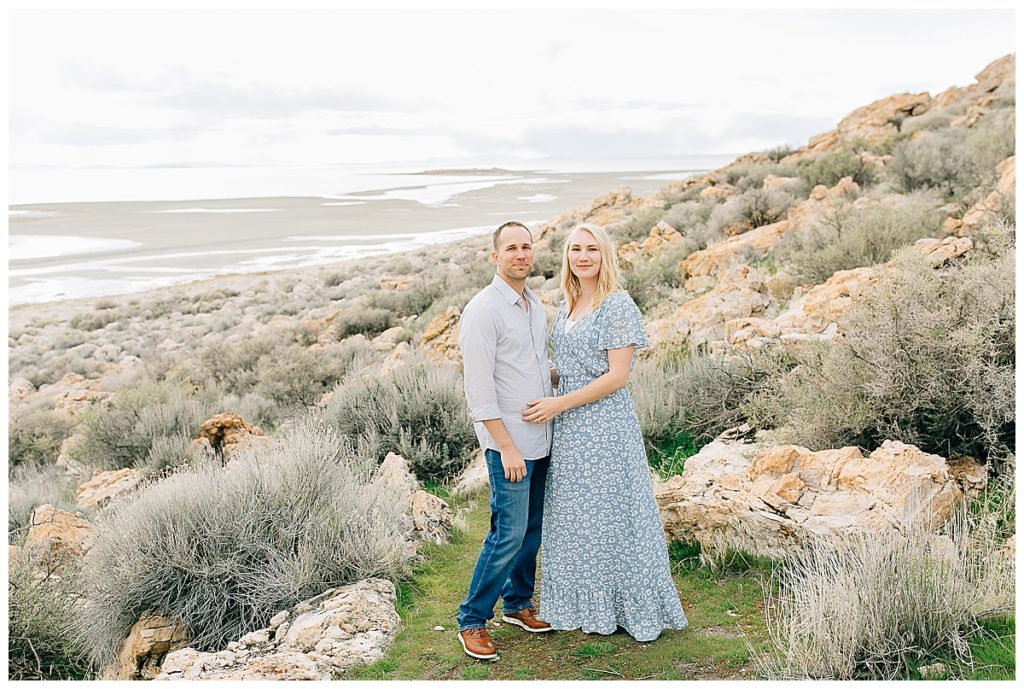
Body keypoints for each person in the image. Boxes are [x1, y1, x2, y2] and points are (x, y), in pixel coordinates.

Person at [522, 222, 689, 642]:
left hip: (606, 428)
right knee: (577, 517)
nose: (583, 256)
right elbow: (571, 369)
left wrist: (558, 402)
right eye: (576, 249)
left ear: (605, 255)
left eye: (591, 249)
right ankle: (585, 606)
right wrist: (533, 380)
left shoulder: (617, 305)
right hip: (572, 430)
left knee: (616, 517)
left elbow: (617, 377)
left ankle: (628, 606)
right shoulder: (569, 304)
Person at [455, 221, 556, 660]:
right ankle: (472, 620)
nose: (520, 254)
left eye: (526, 247)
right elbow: (479, 393)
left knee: (532, 530)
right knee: (508, 533)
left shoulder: (534, 305)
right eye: (511, 248)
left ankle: (517, 605)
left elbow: (532, 366)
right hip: (508, 445)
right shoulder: (483, 310)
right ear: (495, 256)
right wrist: (507, 445)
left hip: (542, 436)